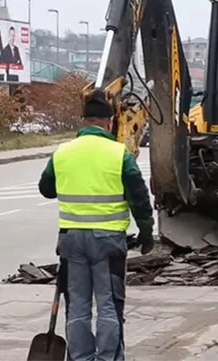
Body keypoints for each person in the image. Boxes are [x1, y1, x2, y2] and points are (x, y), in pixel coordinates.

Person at [38, 88, 155, 361]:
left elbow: (46, 189)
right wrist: (147, 232)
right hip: (108, 242)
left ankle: (80, 358)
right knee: (108, 306)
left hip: (71, 240)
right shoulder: (120, 154)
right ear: (110, 122)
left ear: (83, 120)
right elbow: (139, 197)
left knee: (77, 306)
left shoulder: (62, 153)